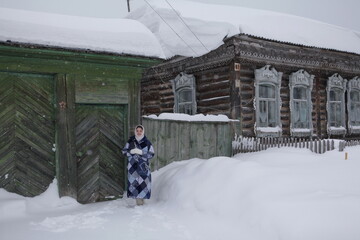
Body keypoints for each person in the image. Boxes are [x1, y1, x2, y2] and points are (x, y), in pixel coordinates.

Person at [122, 125, 154, 206]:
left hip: (143, 167)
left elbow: (151, 154)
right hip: (133, 167)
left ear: (143, 131)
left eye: (140, 131)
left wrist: (142, 153)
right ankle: (138, 201)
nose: (139, 132)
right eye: (137, 131)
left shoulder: (147, 142)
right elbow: (124, 152)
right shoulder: (130, 141)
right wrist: (131, 152)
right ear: (135, 131)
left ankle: (142, 201)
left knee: (144, 184)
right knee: (134, 183)